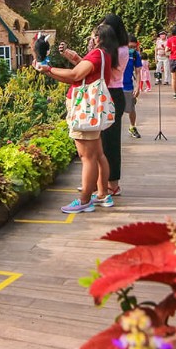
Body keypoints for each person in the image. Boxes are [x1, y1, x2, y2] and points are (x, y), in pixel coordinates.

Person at [38, 24, 117, 214]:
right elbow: (84, 69)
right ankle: (102, 194)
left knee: (87, 157)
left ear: (98, 38)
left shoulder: (97, 54)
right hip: (92, 111)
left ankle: (84, 201)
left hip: (85, 111)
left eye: (92, 36)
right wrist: (71, 57)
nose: (90, 39)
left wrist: (48, 69)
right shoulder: (104, 54)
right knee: (97, 155)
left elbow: (74, 75)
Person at [98, 13, 129, 201]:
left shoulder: (120, 51)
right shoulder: (111, 49)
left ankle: (113, 184)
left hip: (113, 94)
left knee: (111, 142)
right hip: (106, 94)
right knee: (100, 141)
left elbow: (104, 71)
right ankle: (101, 182)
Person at [124, 38, 143, 138]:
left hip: (128, 86)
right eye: (130, 47)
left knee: (131, 108)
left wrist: (138, 86)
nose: (132, 49)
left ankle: (132, 126)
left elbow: (138, 71)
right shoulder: (117, 53)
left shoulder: (135, 55)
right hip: (116, 86)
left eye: (134, 47)